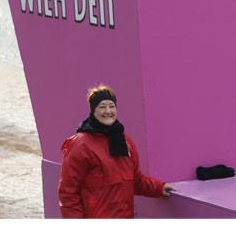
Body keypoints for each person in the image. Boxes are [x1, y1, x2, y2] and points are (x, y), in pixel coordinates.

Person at [58, 85, 173, 218]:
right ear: (93, 111)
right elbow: (68, 193)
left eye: (111, 106)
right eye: (102, 106)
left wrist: (159, 188)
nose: (108, 111)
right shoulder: (80, 145)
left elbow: (136, 181)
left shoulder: (125, 141)